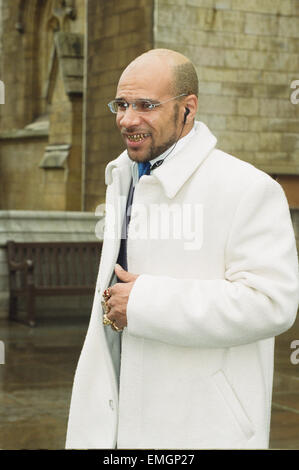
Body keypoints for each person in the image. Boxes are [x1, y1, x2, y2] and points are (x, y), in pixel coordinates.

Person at [66, 49, 299, 449]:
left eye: (146, 105)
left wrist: (144, 302)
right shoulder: (122, 176)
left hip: (204, 429)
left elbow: (272, 303)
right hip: (115, 421)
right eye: (121, 105)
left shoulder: (249, 188)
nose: (127, 119)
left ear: (187, 109)